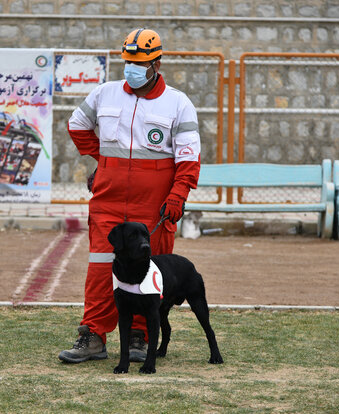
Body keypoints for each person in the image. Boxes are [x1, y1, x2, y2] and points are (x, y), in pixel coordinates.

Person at [59, 28, 201, 363]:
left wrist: (177, 197)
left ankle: (140, 334)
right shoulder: (104, 94)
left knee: (148, 269)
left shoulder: (178, 103)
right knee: (100, 266)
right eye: (128, 61)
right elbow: (77, 125)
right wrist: (104, 163)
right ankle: (93, 335)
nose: (131, 68)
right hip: (108, 199)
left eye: (139, 63)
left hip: (154, 204)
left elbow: (188, 160)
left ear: (156, 62)